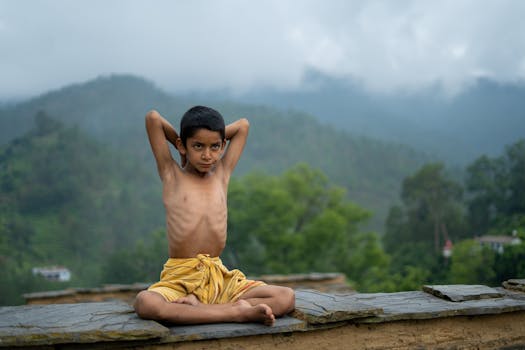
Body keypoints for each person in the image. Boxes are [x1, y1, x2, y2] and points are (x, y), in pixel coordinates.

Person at [134, 106, 295, 325]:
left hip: (220, 278)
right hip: (181, 278)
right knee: (146, 303)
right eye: (198, 146)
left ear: (222, 147)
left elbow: (242, 126)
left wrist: (207, 138)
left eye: (214, 147)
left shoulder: (221, 175)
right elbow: (153, 119)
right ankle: (235, 313)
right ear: (183, 145)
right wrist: (180, 145)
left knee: (286, 297)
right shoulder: (172, 175)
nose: (207, 155)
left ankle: (202, 309)